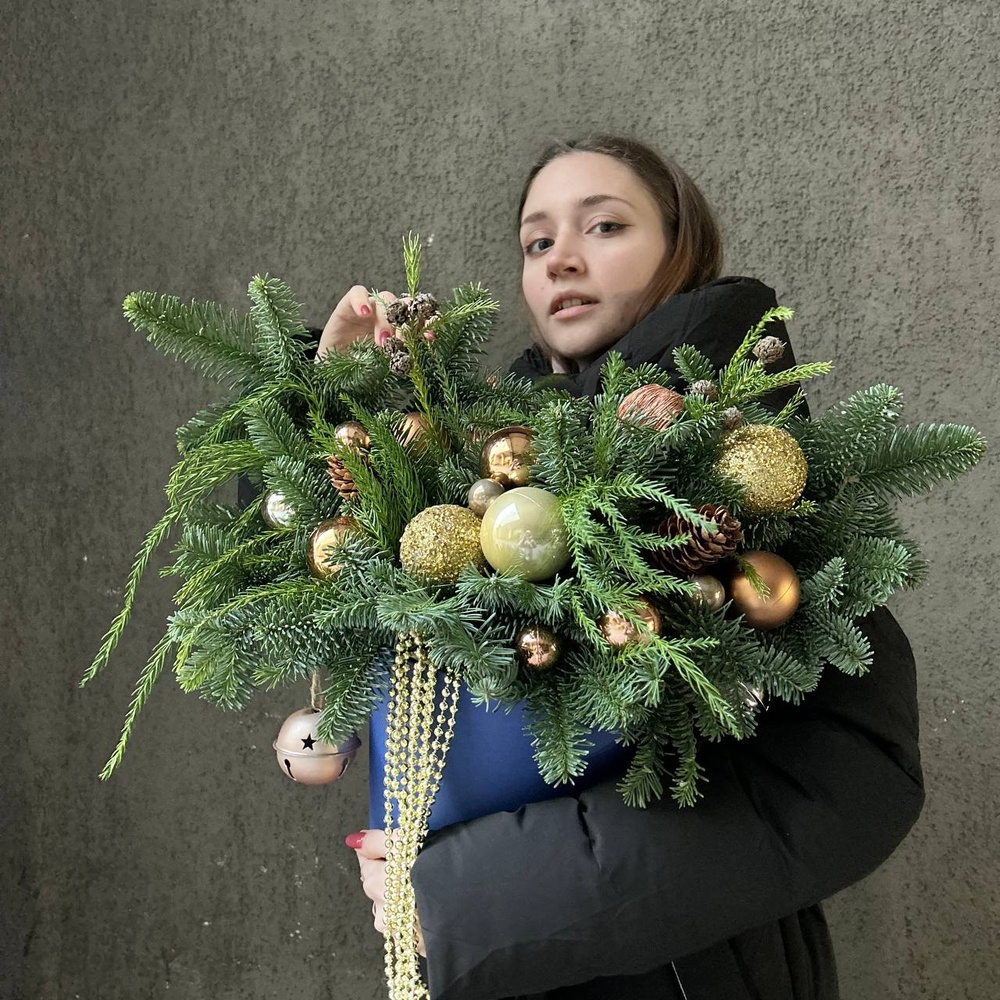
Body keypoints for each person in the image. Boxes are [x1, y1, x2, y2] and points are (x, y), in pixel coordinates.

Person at [320, 135, 925, 1000]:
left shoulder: (747, 476)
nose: (562, 257)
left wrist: (470, 893)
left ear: (683, 249)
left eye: (603, 226)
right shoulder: (472, 487)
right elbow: (315, 572)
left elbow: (850, 779)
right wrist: (332, 401)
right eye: (537, 243)